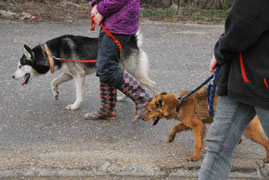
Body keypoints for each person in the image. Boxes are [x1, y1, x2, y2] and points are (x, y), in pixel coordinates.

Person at [198, 0, 269, 179]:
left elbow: (245, 21)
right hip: (241, 77)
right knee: (218, 147)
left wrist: (221, 51)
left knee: (217, 149)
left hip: (258, 76)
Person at [84, 0, 152, 122]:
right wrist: (96, 4)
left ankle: (143, 98)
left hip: (118, 23)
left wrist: (101, 8)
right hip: (114, 21)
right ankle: (107, 109)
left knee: (106, 69)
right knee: (105, 65)